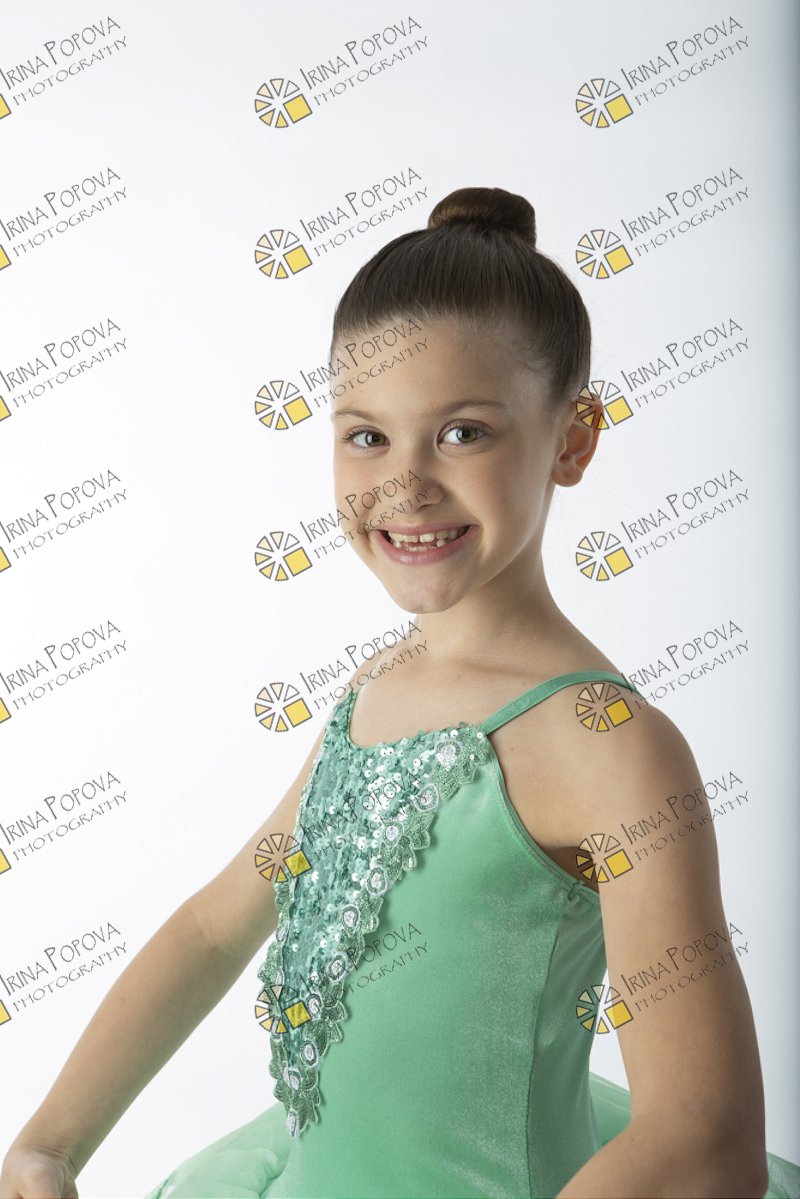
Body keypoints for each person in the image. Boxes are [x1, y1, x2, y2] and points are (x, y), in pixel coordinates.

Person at [2, 187, 796, 1199]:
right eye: (366, 436)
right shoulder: (373, 691)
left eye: (462, 433)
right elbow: (215, 926)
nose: (404, 484)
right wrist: (49, 1143)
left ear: (572, 438)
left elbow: (703, 1138)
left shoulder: (608, 746)